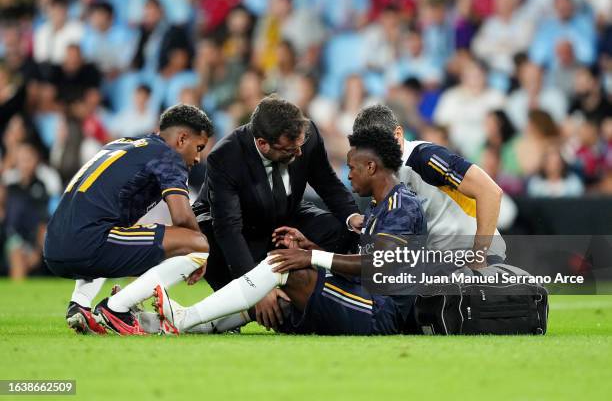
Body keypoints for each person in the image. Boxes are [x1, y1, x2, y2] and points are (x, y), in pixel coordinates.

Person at [154, 124, 425, 335]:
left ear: (371, 166)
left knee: (283, 269)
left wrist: (312, 258)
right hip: (362, 296)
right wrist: (312, 248)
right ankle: (183, 323)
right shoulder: (380, 206)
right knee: (279, 303)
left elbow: (379, 265)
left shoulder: (401, 205)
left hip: (380, 312)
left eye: (352, 167)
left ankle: (185, 318)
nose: (349, 174)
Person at [193, 94, 361, 330]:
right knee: (206, 238)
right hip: (239, 225)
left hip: (285, 214)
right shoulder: (225, 157)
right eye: (290, 150)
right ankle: (230, 311)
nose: (299, 154)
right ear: (263, 143)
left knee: (338, 229)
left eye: (300, 146)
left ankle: (330, 291)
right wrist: (257, 291)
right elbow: (229, 229)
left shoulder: (307, 135)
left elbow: (327, 183)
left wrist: (353, 218)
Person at [43, 104, 213, 335]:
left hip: (53, 245)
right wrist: (200, 255)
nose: (197, 157)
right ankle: (117, 309)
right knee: (198, 245)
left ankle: (80, 305)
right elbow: (182, 217)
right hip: (88, 241)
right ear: (182, 139)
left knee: (115, 227)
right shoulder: (167, 156)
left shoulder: (122, 143)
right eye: (199, 147)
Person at [353, 104, 505, 266]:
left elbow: (490, 192)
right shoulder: (381, 179)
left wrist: (479, 257)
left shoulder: (426, 157)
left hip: (473, 257)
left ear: (397, 135)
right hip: (439, 263)